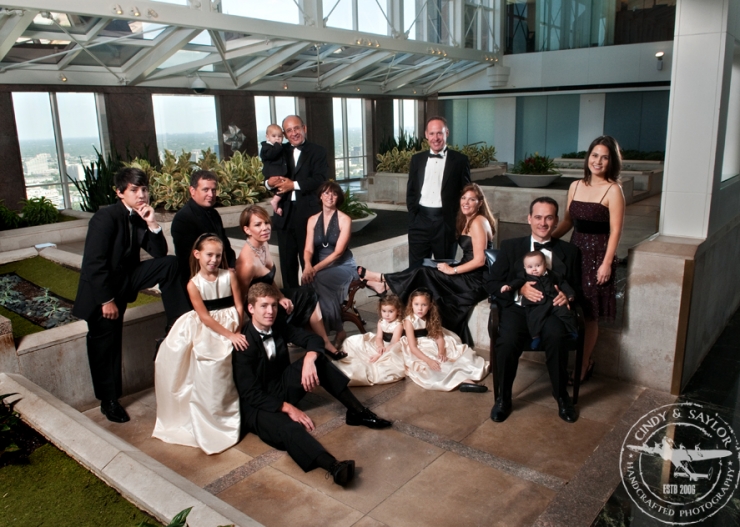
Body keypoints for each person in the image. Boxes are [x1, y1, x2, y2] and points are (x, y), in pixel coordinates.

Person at [232, 283, 392, 487]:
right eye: (263, 306)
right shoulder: (244, 343)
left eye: (273, 305)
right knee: (289, 428)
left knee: (318, 360)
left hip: (280, 385)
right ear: (251, 308)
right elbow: (249, 393)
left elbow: (312, 338)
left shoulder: (278, 323)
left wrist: (309, 359)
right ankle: (334, 467)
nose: (270, 311)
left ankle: (357, 411)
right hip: (258, 405)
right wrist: (288, 408)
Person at [73, 167, 189, 423]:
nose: (141, 195)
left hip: (125, 280)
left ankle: (177, 322)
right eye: (135, 190)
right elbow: (94, 264)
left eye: (144, 190)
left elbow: (158, 253)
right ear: (119, 192)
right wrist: (106, 301)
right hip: (100, 294)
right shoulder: (104, 218)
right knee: (106, 346)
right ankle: (109, 401)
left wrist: (152, 223)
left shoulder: (139, 216)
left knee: (170, 264)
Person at [359, 183, 495, 346]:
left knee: (424, 272)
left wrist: (453, 270)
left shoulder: (478, 221)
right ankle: (385, 284)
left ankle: (382, 280)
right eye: (463, 198)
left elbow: (480, 260)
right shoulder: (467, 219)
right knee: (424, 264)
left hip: (475, 280)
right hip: (466, 271)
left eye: (471, 199)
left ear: (479, 203)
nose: (466, 202)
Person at [486, 197, 582, 424]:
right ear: (529, 219)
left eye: (549, 217)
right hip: (518, 309)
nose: (543, 222)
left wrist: (567, 296)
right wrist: (520, 291)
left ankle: (561, 397)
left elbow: (577, 288)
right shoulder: (511, 246)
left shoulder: (570, 251)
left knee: (557, 337)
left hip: (550, 311)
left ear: (557, 221)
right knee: (507, 340)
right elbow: (491, 284)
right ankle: (503, 399)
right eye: (538, 217)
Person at [153, 234, 246, 455]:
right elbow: (204, 317)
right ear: (197, 255)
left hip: (234, 323)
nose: (214, 260)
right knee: (211, 362)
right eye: (209, 255)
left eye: (218, 255)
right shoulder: (193, 285)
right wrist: (228, 336)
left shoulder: (229, 277)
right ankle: (213, 418)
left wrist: (238, 330)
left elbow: (240, 306)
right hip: (210, 328)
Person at [552, 135, 625, 383]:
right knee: (573, 304)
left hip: (598, 256)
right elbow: (567, 222)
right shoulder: (575, 186)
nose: (598, 161)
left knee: (590, 314)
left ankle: (584, 364)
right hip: (576, 252)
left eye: (605, 157)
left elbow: (616, 230)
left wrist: (606, 263)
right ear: (588, 157)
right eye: (595, 155)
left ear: (611, 161)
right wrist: (546, 238)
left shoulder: (614, 190)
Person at [235, 205, 347, 360]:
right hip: (258, 308)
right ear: (247, 230)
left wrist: (281, 297)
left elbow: (268, 280)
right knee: (300, 306)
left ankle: (324, 343)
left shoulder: (263, 244)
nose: (265, 228)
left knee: (309, 294)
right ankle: (312, 346)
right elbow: (240, 300)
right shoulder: (247, 264)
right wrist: (237, 332)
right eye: (258, 225)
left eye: (266, 223)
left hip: (271, 296)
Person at [267, 115, 327, 288]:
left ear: (304, 128)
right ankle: (291, 306)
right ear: (285, 134)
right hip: (284, 215)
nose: (294, 133)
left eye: (296, 128)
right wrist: (268, 183)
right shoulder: (279, 150)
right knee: (287, 265)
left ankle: (312, 307)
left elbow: (320, 179)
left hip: (308, 216)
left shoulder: (318, 151)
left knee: (309, 263)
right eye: (289, 130)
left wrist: (293, 185)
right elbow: (269, 174)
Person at [406, 116, 471, 268]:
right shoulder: (417, 159)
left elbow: (467, 193)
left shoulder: (460, 160)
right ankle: (418, 293)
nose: (436, 138)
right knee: (416, 268)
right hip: (420, 221)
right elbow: (411, 191)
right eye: (432, 134)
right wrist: (413, 217)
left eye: (439, 133)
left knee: (444, 269)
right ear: (426, 135)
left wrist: (459, 220)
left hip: (445, 222)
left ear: (447, 133)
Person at [302, 181, 360, 350]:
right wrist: (307, 265)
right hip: (321, 266)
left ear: (338, 198)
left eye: (334, 194)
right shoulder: (312, 220)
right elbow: (308, 249)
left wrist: (314, 269)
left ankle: (326, 331)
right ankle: (332, 330)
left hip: (343, 265)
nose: (330, 197)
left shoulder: (345, 219)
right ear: (320, 196)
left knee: (317, 278)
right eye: (326, 193)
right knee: (307, 280)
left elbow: (338, 253)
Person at [400, 289, 489, 392]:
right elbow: (413, 347)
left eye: (424, 305)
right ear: (411, 304)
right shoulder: (409, 321)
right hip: (419, 347)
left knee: (448, 356)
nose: (420, 308)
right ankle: (466, 381)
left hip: (431, 342)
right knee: (437, 364)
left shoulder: (430, 318)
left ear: (429, 306)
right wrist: (428, 361)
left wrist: (441, 351)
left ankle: (466, 377)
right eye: (416, 304)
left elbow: (439, 337)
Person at [171, 170, 236, 289]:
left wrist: (232, 267)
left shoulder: (214, 213)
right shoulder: (183, 218)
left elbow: (226, 245)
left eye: (213, 190)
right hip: (200, 281)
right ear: (192, 191)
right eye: (205, 190)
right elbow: (188, 260)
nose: (211, 194)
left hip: (221, 272)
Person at [501, 250, 578, 350]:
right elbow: (517, 282)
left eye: (538, 265)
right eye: (530, 267)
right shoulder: (524, 277)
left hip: (553, 302)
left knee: (565, 312)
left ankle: (573, 331)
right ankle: (536, 337)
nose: (534, 269)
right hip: (535, 304)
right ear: (525, 268)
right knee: (534, 319)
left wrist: (570, 295)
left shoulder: (552, 275)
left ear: (545, 265)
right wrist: (509, 287)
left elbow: (563, 284)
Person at [335, 294, 406, 386]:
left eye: (391, 311)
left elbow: (394, 343)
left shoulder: (399, 324)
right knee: (352, 341)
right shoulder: (381, 322)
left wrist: (380, 354)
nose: (387, 314)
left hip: (392, 347)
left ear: (398, 311)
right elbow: (379, 337)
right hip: (382, 344)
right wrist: (380, 346)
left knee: (382, 365)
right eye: (384, 311)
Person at [260, 124, 288, 217]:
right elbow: (272, 155)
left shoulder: (283, 147)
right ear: (267, 137)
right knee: (282, 187)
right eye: (274, 136)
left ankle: (279, 206)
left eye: (280, 136)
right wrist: (277, 145)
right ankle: (275, 201)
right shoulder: (266, 147)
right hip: (273, 172)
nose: (277, 139)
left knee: (283, 189)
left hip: (280, 171)